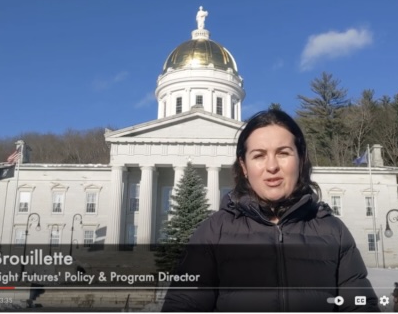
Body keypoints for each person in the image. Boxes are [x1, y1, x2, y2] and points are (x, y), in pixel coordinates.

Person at [162, 109, 379, 312]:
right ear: (244, 166)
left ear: (301, 159)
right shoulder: (213, 233)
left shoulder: (333, 232)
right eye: (259, 155)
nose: (272, 166)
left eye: (283, 153)